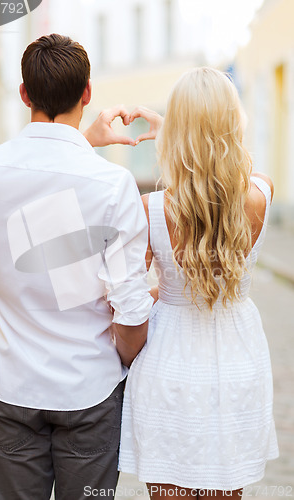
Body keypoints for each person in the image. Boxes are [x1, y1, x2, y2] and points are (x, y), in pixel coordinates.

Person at [0, 34, 154, 500]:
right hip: (89, 393)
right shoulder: (113, 185)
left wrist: (81, 143)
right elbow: (131, 316)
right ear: (87, 93)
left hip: (13, 390)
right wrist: (122, 365)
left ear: (24, 93)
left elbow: (45, 179)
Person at [118, 68, 279, 498]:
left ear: (178, 130)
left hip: (168, 367)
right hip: (238, 364)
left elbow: (128, 299)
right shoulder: (260, 194)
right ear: (234, 124)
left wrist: (172, 130)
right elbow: (228, 166)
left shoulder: (150, 209)